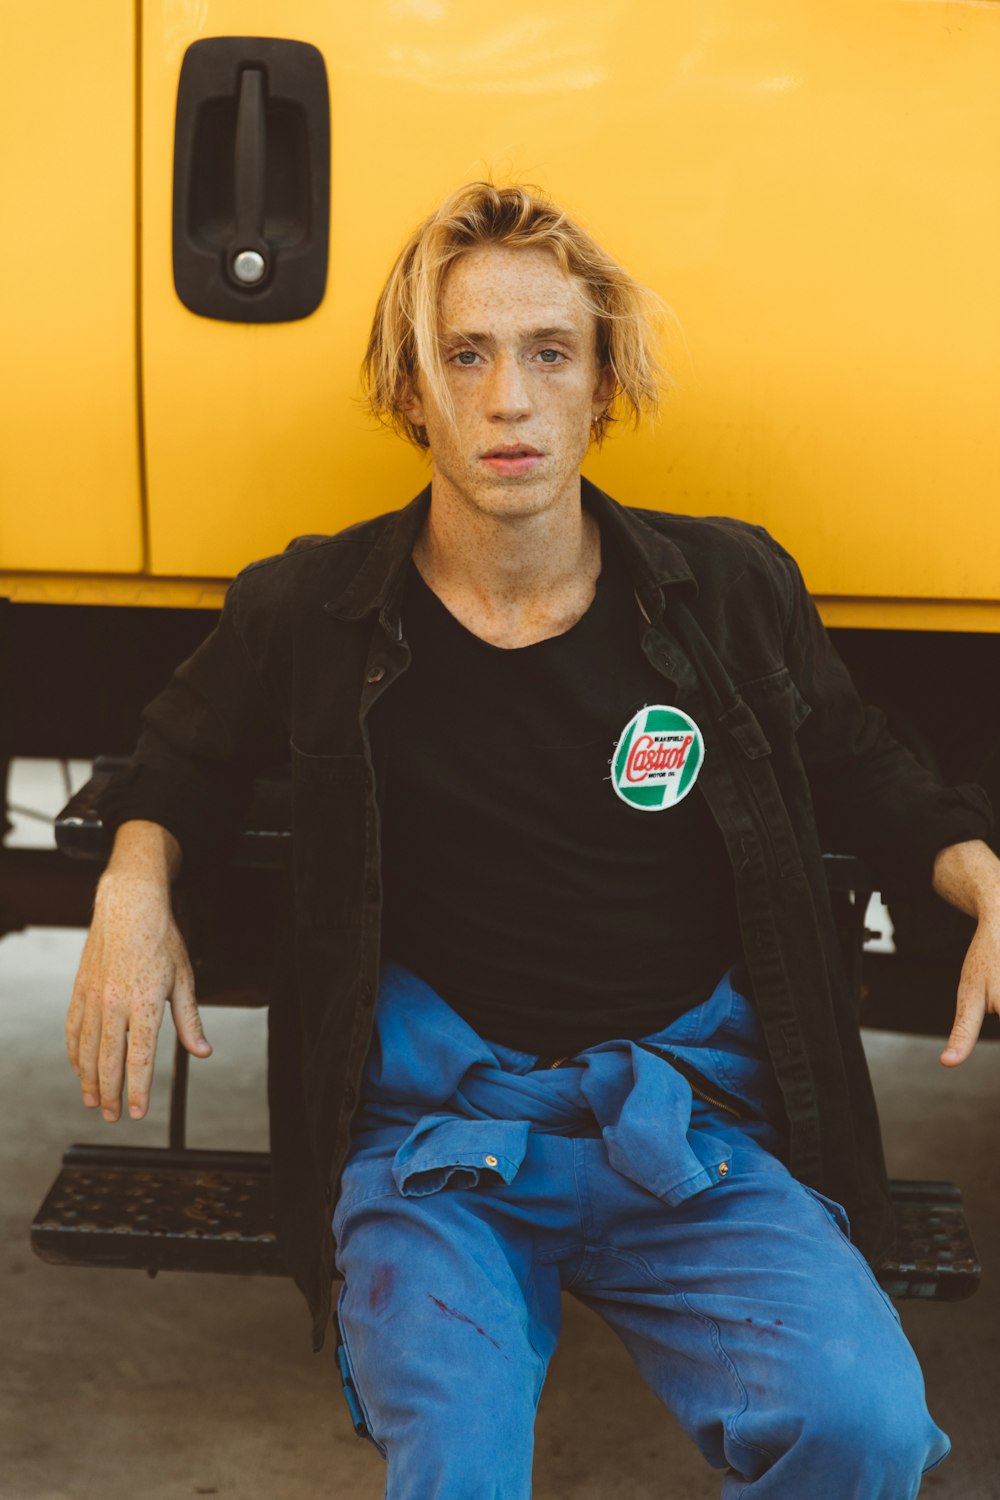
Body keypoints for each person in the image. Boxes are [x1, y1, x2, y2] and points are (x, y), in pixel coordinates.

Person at [67, 182, 999, 1498]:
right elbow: (177, 756)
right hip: (441, 1144)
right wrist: (133, 881)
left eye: (549, 353)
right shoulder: (316, 607)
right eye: (466, 354)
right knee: (456, 1466)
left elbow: (863, 766)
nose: (508, 399)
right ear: (411, 392)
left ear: (603, 384)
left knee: (869, 1429)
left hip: (692, 1131)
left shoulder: (725, 593)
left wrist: (979, 877)